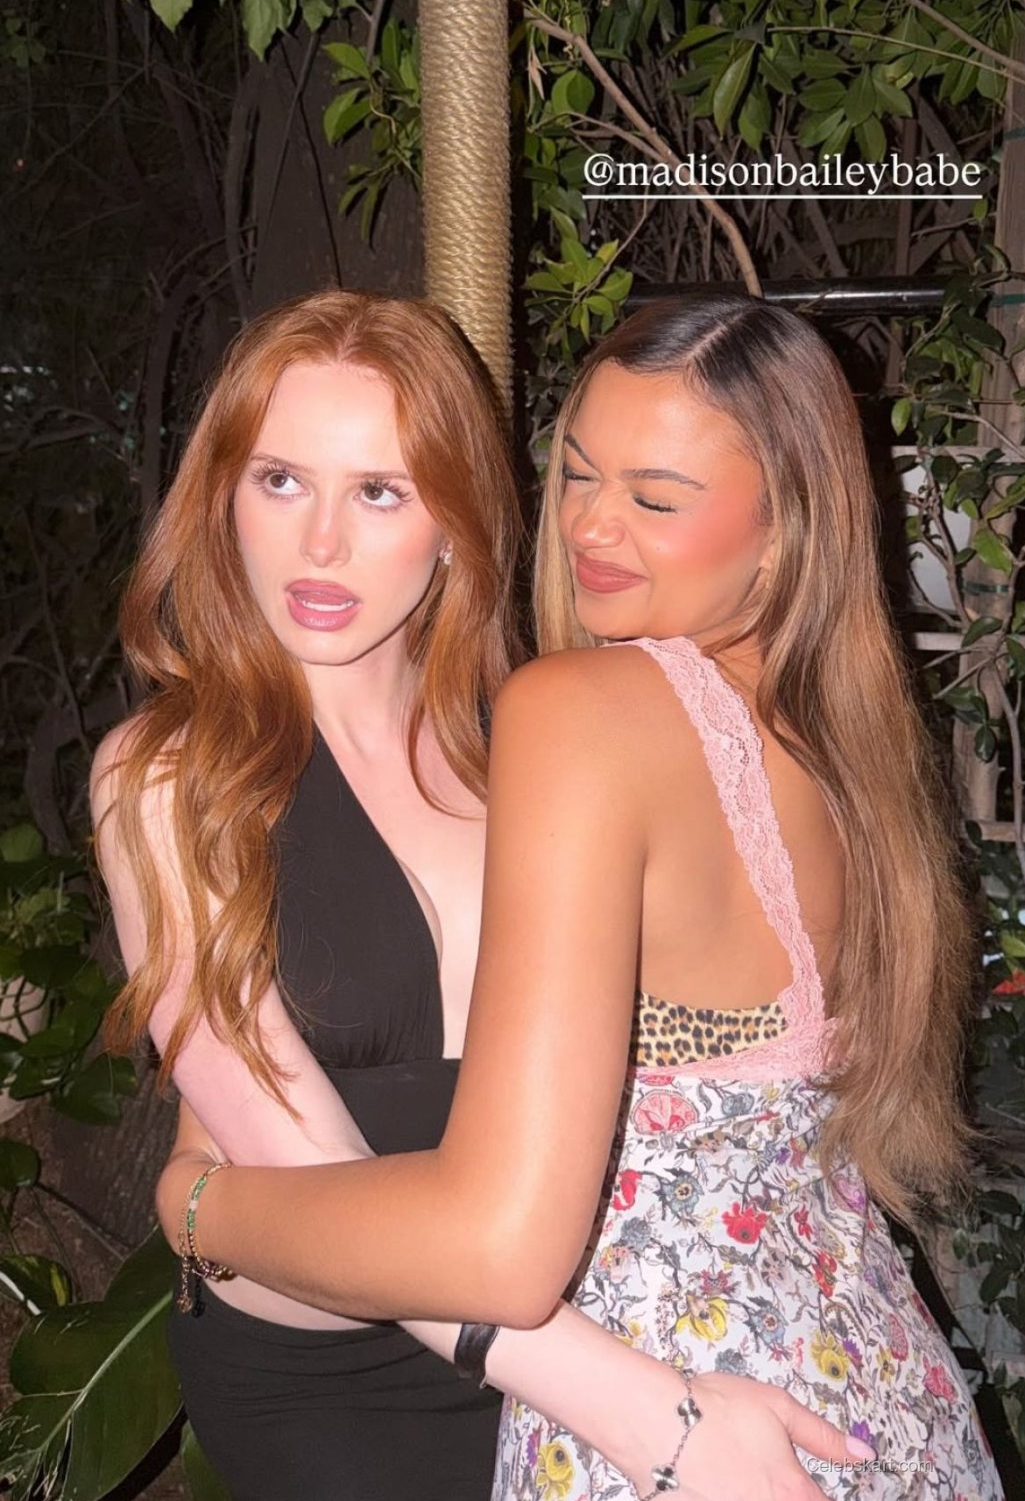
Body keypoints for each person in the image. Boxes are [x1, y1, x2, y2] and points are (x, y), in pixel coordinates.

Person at [155, 295, 1003, 1501]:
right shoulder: (847, 755)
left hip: (671, 1418)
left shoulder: (574, 715)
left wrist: (199, 1206)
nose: (593, 526)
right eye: (578, 474)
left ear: (785, 528)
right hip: (871, 1399)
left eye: (654, 499)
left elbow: (498, 1249)